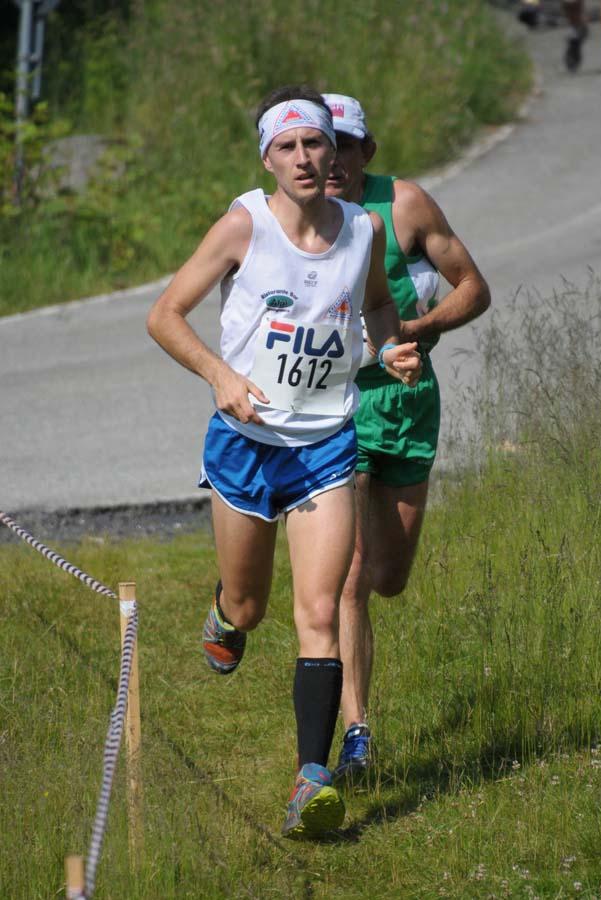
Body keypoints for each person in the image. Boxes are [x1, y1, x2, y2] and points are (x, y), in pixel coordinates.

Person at [147, 85, 422, 837]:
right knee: (251, 607)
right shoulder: (244, 226)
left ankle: (310, 780)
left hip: (327, 444)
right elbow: (164, 315)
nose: (304, 158)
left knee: (320, 614)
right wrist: (220, 375)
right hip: (245, 445)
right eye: (288, 146)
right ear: (267, 158)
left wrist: (391, 344)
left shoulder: (363, 230)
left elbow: (376, 308)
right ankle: (226, 612)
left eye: (315, 144)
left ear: (335, 151)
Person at [322, 93, 491, 780]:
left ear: (368, 151)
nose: (330, 159)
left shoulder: (407, 206)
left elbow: (473, 289)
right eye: (318, 144)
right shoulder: (297, 221)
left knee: (389, 578)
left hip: (410, 402)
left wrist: (416, 329)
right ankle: (356, 731)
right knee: (352, 573)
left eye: (345, 145)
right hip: (338, 407)